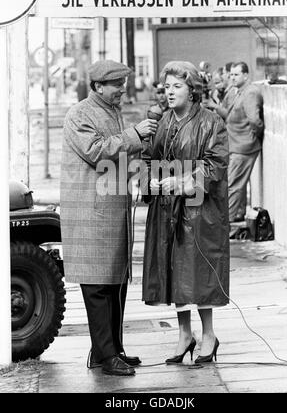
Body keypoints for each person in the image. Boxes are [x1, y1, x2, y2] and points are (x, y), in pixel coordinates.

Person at [60, 59, 158, 376]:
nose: (122, 90)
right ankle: (106, 355)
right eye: (117, 85)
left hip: (110, 209)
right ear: (99, 86)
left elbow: (121, 155)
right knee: (98, 286)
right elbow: (97, 150)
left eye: (123, 84)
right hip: (91, 211)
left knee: (114, 282)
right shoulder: (80, 114)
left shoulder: (111, 112)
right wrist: (134, 134)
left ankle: (110, 350)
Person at [142, 61, 230, 365]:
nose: (169, 92)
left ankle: (209, 335)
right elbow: (148, 158)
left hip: (198, 211)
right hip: (166, 210)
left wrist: (182, 182)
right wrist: (150, 180)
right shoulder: (162, 122)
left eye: (176, 86)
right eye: (166, 87)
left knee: (199, 272)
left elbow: (216, 162)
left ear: (192, 90)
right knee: (173, 272)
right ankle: (184, 334)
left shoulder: (211, 122)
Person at [227, 61, 264, 223]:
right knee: (234, 185)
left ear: (246, 75)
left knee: (233, 186)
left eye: (236, 74)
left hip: (244, 146)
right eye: (231, 75)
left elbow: (255, 121)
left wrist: (255, 137)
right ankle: (234, 216)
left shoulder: (250, 93)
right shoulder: (238, 92)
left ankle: (225, 224)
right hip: (236, 145)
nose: (232, 78)